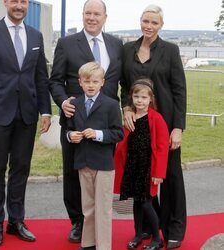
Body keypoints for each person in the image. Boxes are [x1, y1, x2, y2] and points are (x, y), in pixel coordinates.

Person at [0, 0, 51, 247]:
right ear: (5, 3)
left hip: (26, 115)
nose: (19, 5)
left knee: (21, 169)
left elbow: (41, 78)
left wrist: (46, 112)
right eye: (14, 1)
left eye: (23, 1)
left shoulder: (36, 35)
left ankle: (16, 221)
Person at [49, 0, 123, 243]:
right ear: (82, 15)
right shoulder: (67, 43)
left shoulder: (115, 44)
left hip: (106, 123)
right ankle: (78, 222)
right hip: (75, 119)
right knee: (73, 172)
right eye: (87, 13)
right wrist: (62, 102)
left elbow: (119, 80)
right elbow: (55, 80)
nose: (92, 17)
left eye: (96, 14)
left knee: (102, 173)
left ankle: (99, 225)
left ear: (105, 17)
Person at [121, 4, 187, 250]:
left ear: (161, 25)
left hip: (165, 123)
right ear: (140, 21)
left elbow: (180, 90)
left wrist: (178, 127)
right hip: (138, 126)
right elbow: (123, 86)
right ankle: (149, 227)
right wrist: (125, 107)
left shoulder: (170, 50)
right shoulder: (127, 49)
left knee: (169, 176)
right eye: (145, 21)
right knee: (142, 178)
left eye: (154, 23)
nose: (149, 26)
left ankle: (173, 229)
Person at [67, 62, 124, 250]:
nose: (91, 85)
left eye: (95, 81)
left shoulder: (111, 104)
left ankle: (103, 246)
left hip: (104, 164)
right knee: (88, 208)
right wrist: (70, 135)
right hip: (83, 162)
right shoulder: (73, 104)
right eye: (87, 81)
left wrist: (98, 134)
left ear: (102, 82)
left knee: (103, 209)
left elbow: (118, 133)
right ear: (80, 82)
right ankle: (88, 243)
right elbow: (67, 128)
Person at [114, 79, 169, 250]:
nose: (139, 100)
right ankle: (138, 234)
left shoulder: (156, 119)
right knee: (136, 203)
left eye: (144, 97)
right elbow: (122, 141)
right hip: (132, 165)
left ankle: (156, 238)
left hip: (148, 168)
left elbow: (161, 148)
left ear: (150, 99)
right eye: (136, 96)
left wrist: (159, 173)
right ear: (131, 98)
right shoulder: (129, 117)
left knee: (146, 203)